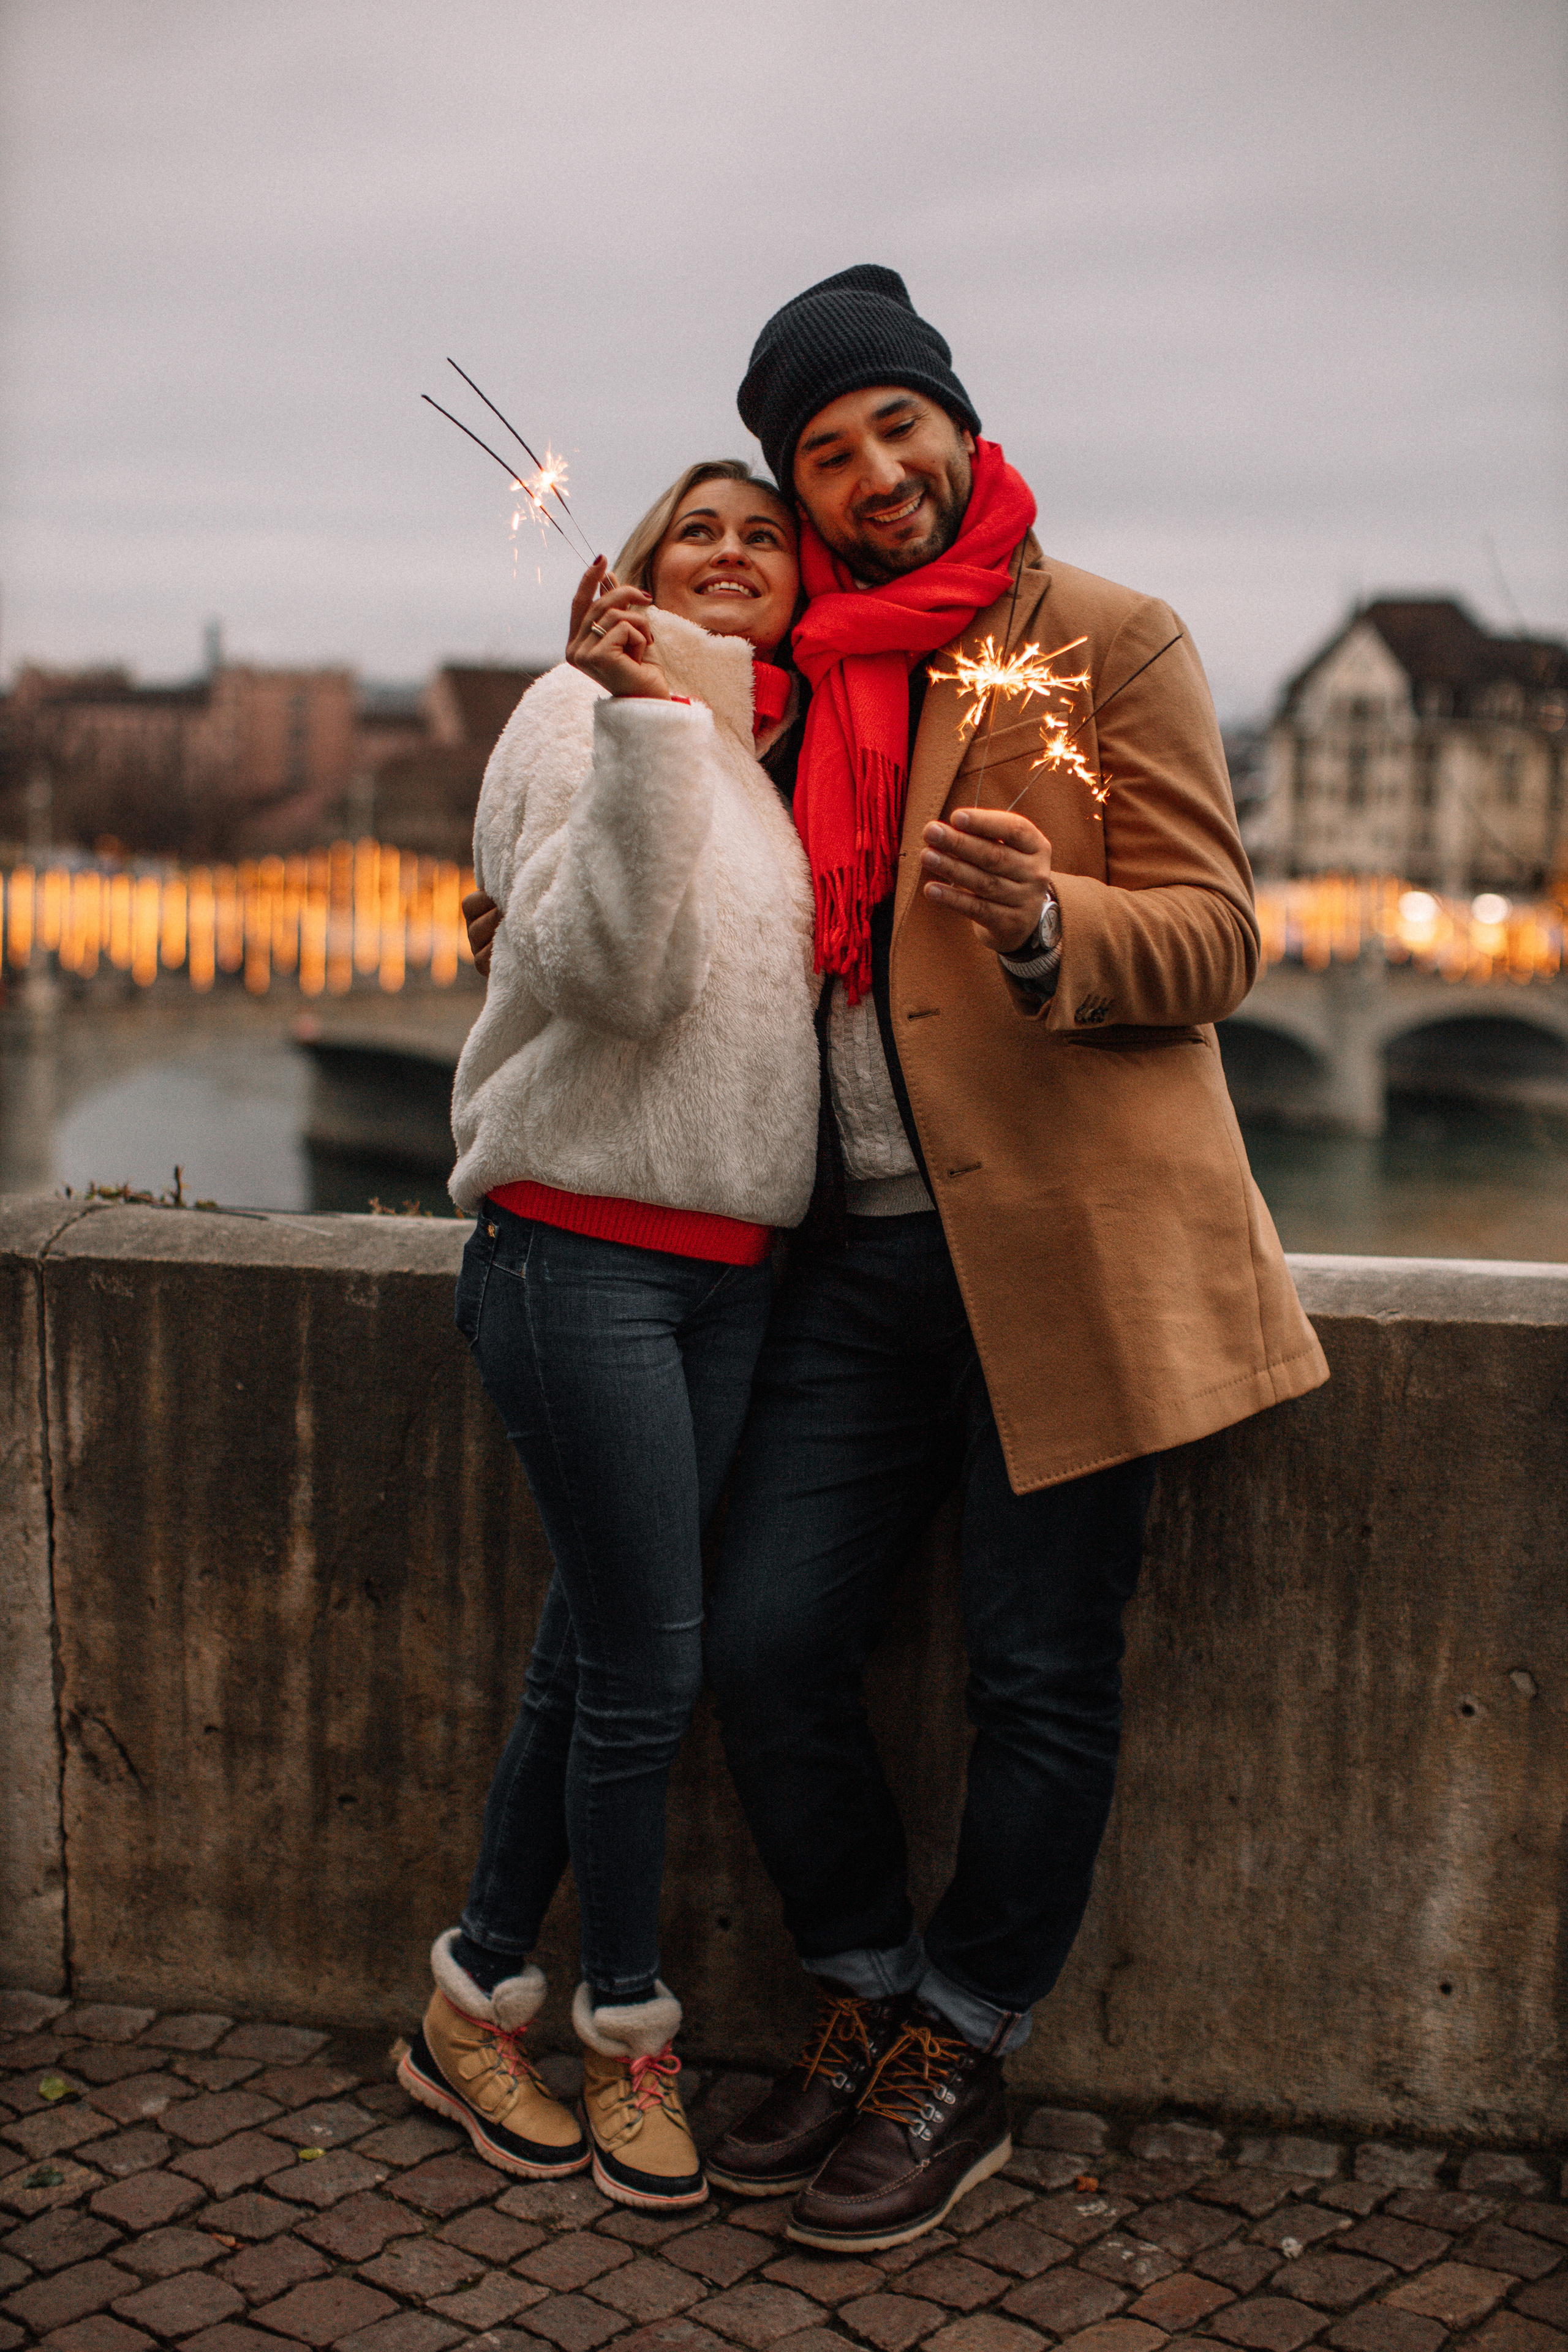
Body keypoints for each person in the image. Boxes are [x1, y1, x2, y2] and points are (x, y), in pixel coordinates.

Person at [687, 266, 1331, 2250]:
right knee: (763, 1642)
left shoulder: (1111, 640)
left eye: (897, 426)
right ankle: (866, 1987)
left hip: (1064, 1253)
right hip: (855, 1261)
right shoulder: (795, 676)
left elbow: (1218, 936)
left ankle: (959, 2046)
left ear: (959, 424)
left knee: (1042, 1675)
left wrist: (1055, 924)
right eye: (826, 453)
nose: (874, 473)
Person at [405, 461, 819, 2212]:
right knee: (648, 1673)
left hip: (730, 1269)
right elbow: (606, 979)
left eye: (764, 536)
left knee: (594, 1657)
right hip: (578, 1251)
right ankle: (628, 2035)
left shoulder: (769, 770)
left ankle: (468, 2002)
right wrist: (643, 718)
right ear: (638, 568)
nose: (732, 553)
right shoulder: (575, 715)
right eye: (695, 530)